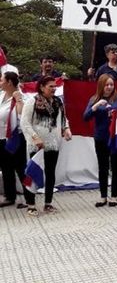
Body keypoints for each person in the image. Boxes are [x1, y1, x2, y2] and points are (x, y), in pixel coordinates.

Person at [20, 76, 72, 216]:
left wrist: (66, 129)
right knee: (32, 173)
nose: (54, 88)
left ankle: (48, 203)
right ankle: (31, 204)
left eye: (55, 86)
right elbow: (25, 123)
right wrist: (35, 137)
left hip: (53, 143)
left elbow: (63, 118)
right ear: (42, 87)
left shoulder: (57, 102)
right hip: (36, 145)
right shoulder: (32, 101)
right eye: (50, 86)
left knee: (50, 173)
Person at [83, 75, 117, 207]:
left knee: (115, 166)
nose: (109, 87)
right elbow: (86, 117)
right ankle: (103, 195)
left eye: (111, 84)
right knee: (102, 167)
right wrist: (96, 106)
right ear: (101, 85)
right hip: (101, 137)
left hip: (116, 136)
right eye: (107, 85)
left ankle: (114, 195)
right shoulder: (94, 99)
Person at [0, 71, 33, 208]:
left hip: (15, 137)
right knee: (6, 168)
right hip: (1, 137)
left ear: (9, 82)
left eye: (2, 80)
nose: (0, 82)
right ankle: (9, 196)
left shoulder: (22, 97)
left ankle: (29, 198)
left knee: (21, 168)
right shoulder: (1, 95)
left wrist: (18, 99)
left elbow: (22, 114)